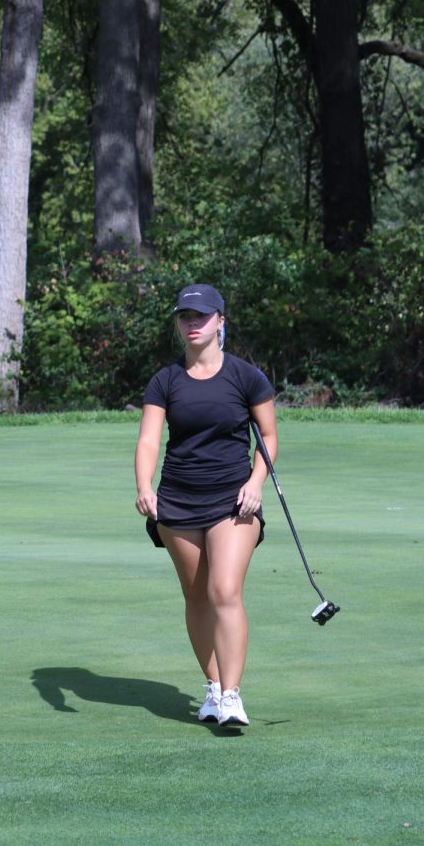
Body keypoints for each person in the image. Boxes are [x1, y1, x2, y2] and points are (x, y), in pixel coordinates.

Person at [134, 283, 278, 728]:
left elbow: (268, 438)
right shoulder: (166, 380)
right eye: (184, 317)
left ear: (220, 321)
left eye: (201, 316)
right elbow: (149, 439)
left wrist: (257, 483)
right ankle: (214, 689)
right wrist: (145, 485)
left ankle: (233, 696)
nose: (192, 324)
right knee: (196, 597)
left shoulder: (246, 377)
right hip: (177, 502)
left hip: (234, 501)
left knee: (224, 592)